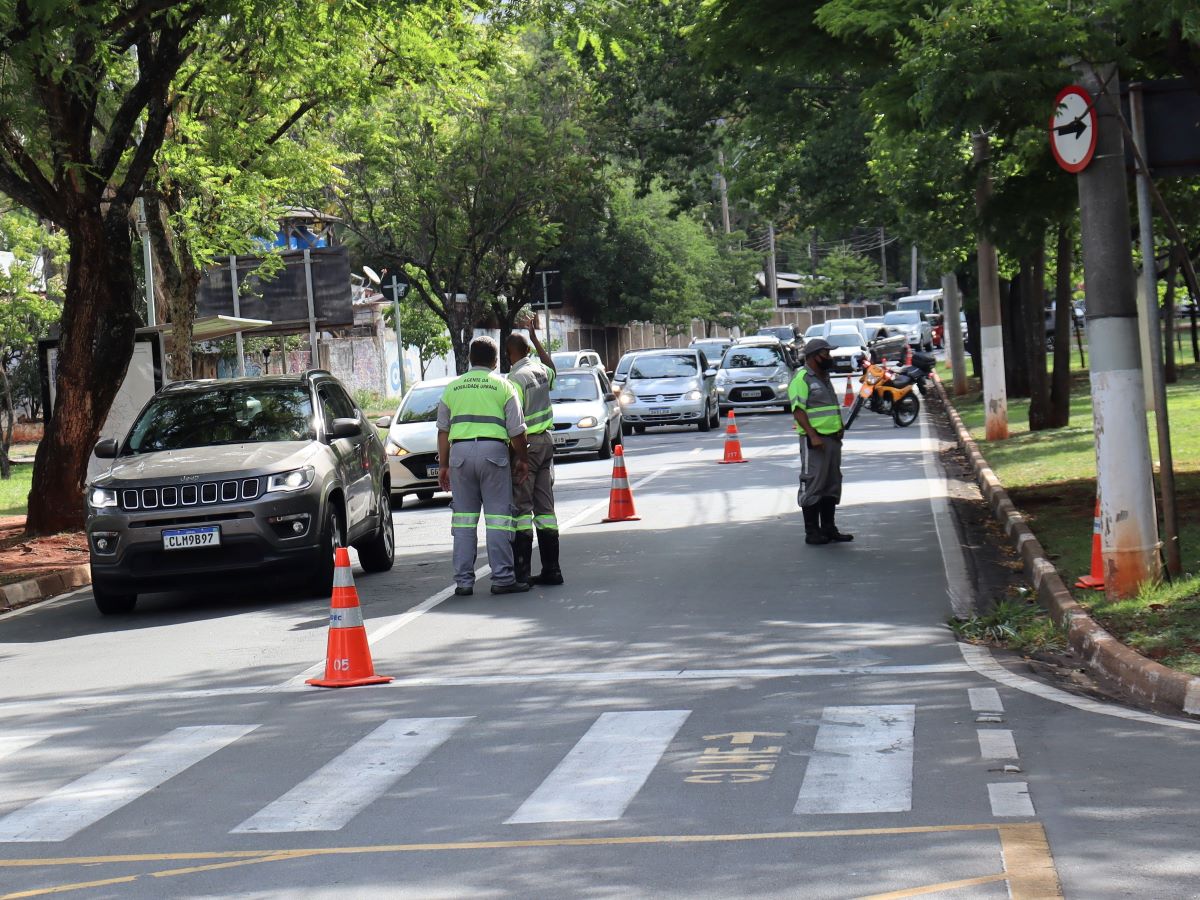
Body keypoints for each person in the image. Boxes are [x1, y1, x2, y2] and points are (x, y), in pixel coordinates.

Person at [436, 337, 531, 595]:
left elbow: (443, 431)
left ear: (469, 359)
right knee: (498, 519)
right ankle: (502, 578)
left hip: (460, 455)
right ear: (495, 360)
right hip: (494, 454)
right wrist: (522, 459)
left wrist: (443, 464)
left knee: (464, 521)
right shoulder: (504, 386)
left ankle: (464, 582)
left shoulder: (452, 388)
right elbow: (517, 431)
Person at [505, 315, 563, 586]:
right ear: (528, 350)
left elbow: (514, 422)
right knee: (545, 507)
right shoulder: (540, 370)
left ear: (508, 355)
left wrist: (517, 455)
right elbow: (553, 368)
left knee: (522, 509)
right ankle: (552, 569)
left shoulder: (514, 379)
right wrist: (537, 340)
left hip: (526, 448)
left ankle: (522, 573)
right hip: (547, 443)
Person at [789, 337, 852, 545]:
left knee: (831, 483)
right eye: (826, 353)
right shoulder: (802, 378)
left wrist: (839, 426)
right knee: (813, 483)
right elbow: (798, 410)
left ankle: (829, 528)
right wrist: (813, 435)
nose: (829, 357)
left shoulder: (824, 377)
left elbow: (831, 407)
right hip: (814, 441)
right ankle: (812, 532)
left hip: (832, 440)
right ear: (813, 356)